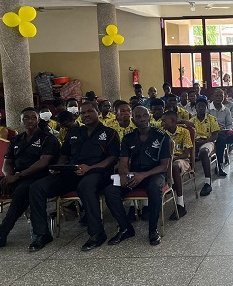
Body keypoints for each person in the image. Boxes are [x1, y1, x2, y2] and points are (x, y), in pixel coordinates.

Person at [28, 101, 120, 252]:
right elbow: (64, 156)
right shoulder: (73, 133)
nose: (86, 115)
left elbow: (112, 159)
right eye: (83, 113)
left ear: (97, 112)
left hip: (98, 173)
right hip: (71, 173)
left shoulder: (110, 133)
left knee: (86, 186)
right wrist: (59, 168)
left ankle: (97, 234)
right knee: (37, 187)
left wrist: (89, 168)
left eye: (90, 111)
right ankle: (42, 234)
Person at [104, 106, 171, 246]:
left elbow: (164, 166)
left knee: (154, 189)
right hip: (133, 175)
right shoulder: (128, 138)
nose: (142, 119)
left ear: (150, 117)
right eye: (138, 117)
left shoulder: (162, 136)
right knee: (111, 191)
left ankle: (153, 230)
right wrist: (124, 174)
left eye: (144, 115)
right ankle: (126, 228)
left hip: (154, 174)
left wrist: (143, 175)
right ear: (133, 120)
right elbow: (123, 162)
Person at [0, 108, 60, 247]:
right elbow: (7, 162)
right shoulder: (16, 140)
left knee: (23, 190)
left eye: (33, 117)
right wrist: (9, 176)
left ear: (38, 120)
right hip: (17, 177)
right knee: (20, 189)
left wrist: (18, 176)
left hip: (39, 177)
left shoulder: (47, 139)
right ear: (21, 121)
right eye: (26, 118)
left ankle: (4, 231)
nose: (30, 120)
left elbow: (43, 162)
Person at [162, 110, 193, 219]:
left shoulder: (184, 132)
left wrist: (174, 158)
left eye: (164, 121)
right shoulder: (163, 134)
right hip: (167, 160)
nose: (162, 123)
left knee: (175, 165)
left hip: (182, 160)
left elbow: (186, 153)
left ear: (173, 120)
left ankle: (180, 204)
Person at [209, 88, 233, 174]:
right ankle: (219, 165)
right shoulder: (208, 108)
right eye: (216, 96)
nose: (219, 98)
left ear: (224, 97)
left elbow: (230, 124)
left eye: (221, 96)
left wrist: (229, 130)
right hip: (212, 134)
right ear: (213, 97)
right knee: (220, 139)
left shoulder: (226, 110)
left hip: (224, 132)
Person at [192, 98, 220, 196]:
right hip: (195, 142)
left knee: (204, 152)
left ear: (206, 108)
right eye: (199, 106)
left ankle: (207, 182)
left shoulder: (211, 119)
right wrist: (195, 142)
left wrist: (205, 141)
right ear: (195, 108)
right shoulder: (191, 121)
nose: (201, 108)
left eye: (203, 106)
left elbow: (215, 135)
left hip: (208, 142)